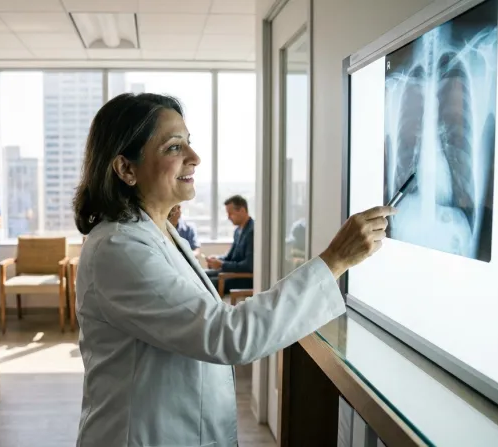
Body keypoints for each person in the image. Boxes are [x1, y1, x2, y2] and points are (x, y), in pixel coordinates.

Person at [72, 92, 396, 446]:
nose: (194, 157)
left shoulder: (160, 233)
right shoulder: (119, 248)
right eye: (174, 147)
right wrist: (336, 259)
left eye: (189, 143)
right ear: (126, 169)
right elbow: (227, 335)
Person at [205, 195, 253, 293]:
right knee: (200, 275)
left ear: (242, 210)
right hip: (232, 273)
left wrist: (222, 264)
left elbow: (248, 265)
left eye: (230, 214)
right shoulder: (237, 231)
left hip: (243, 279)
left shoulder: (252, 232)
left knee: (204, 284)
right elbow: (230, 257)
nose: (228, 217)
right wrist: (217, 260)